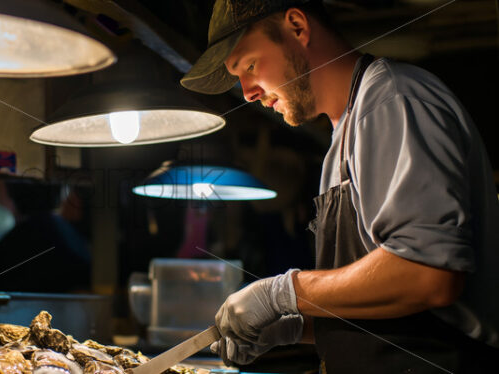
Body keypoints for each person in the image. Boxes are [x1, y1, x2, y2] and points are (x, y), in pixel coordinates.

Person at [181, 0, 499, 372]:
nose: (248, 92)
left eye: (249, 66)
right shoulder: (342, 138)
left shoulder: (391, 101)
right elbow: (387, 302)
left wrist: (284, 293)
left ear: (297, 26)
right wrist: (294, 327)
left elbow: (430, 276)